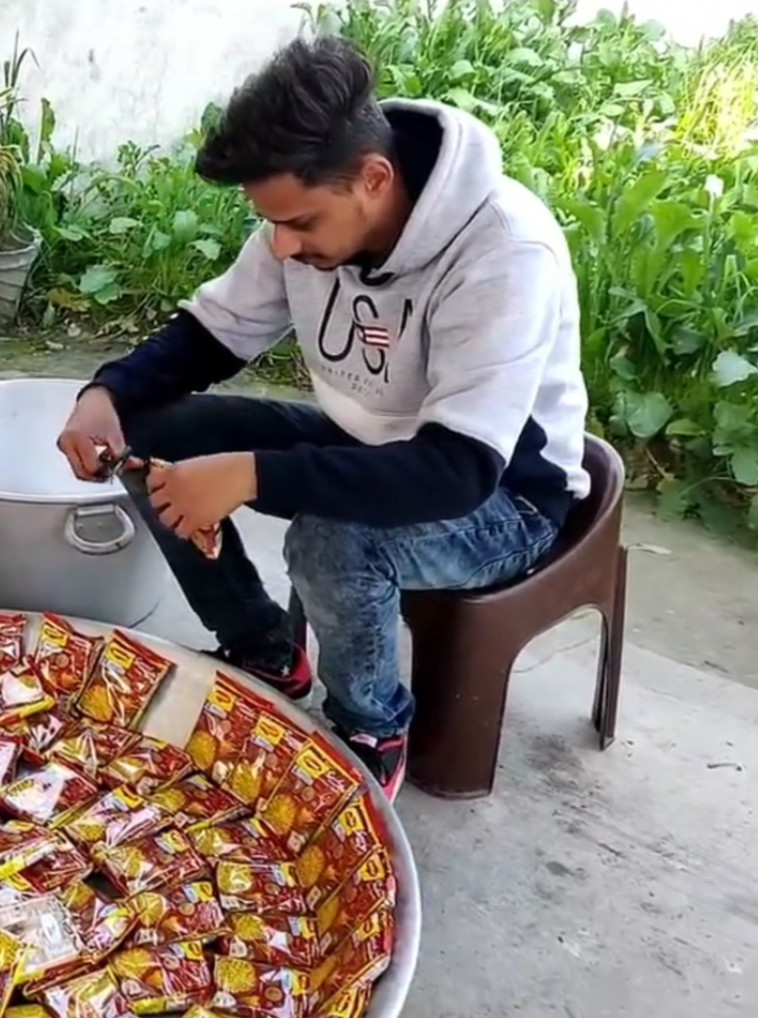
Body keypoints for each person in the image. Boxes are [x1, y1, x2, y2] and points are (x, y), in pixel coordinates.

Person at [57, 36, 588, 797]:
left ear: (374, 178)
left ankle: (371, 726)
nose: (281, 246)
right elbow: (213, 333)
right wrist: (106, 394)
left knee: (330, 541)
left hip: (501, 499)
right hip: (369, 441)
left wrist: (250, 475)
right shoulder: (306, 213)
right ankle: (263, 649)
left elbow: (455, 473)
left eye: (301, 223)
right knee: (150, 434)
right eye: (271, 223)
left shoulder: (505, 250)